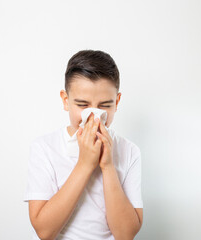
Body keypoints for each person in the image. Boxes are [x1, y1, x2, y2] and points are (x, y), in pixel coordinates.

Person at [23, 49, 143, 240]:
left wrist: (108, 166)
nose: (94, 116)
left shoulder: (129, 151)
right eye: (82, 105)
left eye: (104, 105)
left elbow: (126, 235)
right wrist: (85, 164)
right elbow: (44, 231)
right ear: (66, 100)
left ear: (117, 102)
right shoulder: (44, 148)